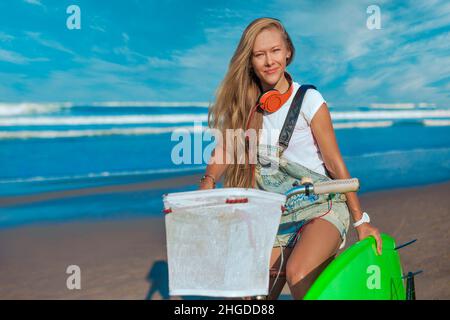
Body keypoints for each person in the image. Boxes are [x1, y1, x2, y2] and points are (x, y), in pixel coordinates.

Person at [199, 17, 382, 300]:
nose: (269, 61)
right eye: (260, 54)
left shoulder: (309, 100)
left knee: (298, 271)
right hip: (278, 218)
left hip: (322, 206)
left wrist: (361, 221)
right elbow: (227, 149)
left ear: (288, 52)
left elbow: (334, 164)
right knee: (249, 296)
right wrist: (209, 180)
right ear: (250, 62)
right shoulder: (249, 108)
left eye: (275, 51)